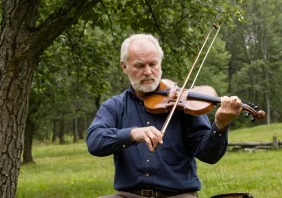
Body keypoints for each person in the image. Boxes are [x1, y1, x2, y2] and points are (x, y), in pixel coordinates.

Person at [86, 34, 242, 198]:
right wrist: (132, 134)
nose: (147, 72)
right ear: (124, 67)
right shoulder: (115, 106)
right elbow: (95, 141)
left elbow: (209, 155)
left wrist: (220, 125)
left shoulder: (183, 102)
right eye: (139, 66)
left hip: (178, 195)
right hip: (128, 195)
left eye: (153, 64)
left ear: (160, 64)